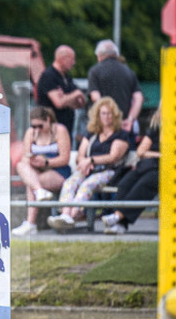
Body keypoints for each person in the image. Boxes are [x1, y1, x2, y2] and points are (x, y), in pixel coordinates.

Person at [48, 97, 131, 232]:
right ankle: (65, 214)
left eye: (109, 113)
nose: (106, 116)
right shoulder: (92, 134)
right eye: (103, 113)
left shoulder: (120, 135)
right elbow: (81, 154)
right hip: (88, 169)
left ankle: (73, 216)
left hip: (109, 171)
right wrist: (84, 163)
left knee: (88, 184)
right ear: (98, 115)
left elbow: (113, 157)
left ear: (115, 115)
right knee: (70, 182)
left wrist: (91, 160)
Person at [100, 107, 162, 235]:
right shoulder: (155, 130)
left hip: (164, 170)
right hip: (147, 166)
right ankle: (120, 224)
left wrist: (150, 154)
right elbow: (140, 151)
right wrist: (160, 155)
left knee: (144, 184)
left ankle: (118, 216)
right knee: (125, 183)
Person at [12, 106, 72, 236]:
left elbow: (65, 158)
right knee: (21, 166)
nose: (37, 129)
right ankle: (39, 192)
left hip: (57, 170)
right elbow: (25, 156)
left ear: (48, 120)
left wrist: (46, 162)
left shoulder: (59, 130)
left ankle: (30, 223)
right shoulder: (31, 133)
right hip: (37, 170)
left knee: (32, 183)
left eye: (40, 126)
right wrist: (33, 161)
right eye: (34, 126)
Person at [87, 39, 143, 134]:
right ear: (116, 55)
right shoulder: (129, 71)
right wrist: (130, 119)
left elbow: (95, 97)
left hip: (102, 128)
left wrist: (107, 118)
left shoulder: (95, 71)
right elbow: (139, 98)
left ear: (99, 56)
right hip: (124, 126)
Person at [36, 45, 86, 137]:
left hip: (67, 129)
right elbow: (59, 103)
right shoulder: (49, 76)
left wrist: (68, 98)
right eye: (71, 59)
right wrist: (74, 96)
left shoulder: (67, 78)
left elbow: (81, 102)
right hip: (51, 131)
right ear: (62, 59)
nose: (74, 63)